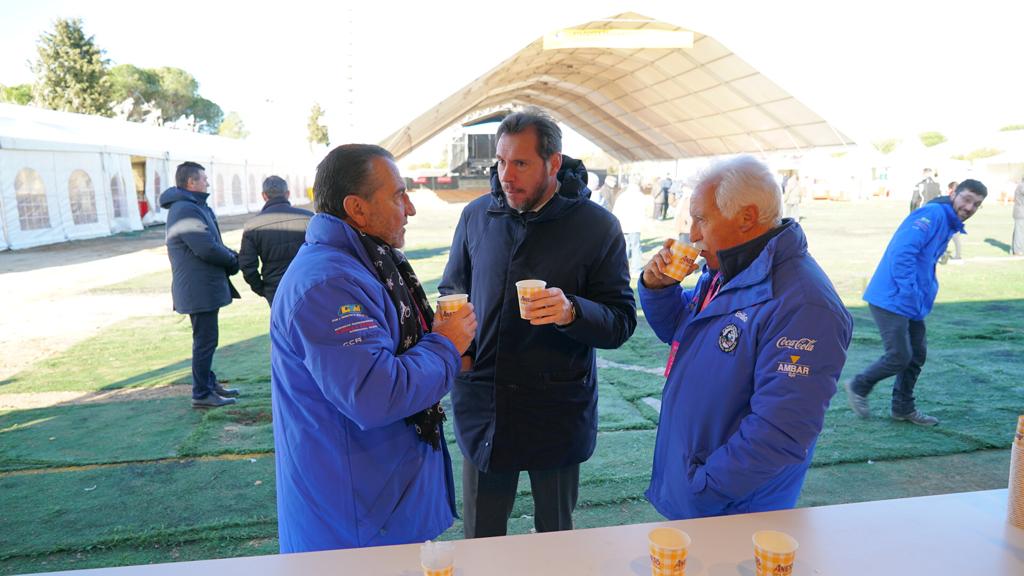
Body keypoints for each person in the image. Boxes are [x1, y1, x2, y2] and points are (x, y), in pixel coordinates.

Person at [270, 144, 478, 552]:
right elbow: (375, 394)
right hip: (355, 521)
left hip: (379, 500)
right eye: (399, 195)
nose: (411, 208)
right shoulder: (330, 284)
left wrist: (449, 352)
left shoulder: (362, 263)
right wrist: (445, 344)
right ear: (357, 209)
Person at [440, 108, 637, 538]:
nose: (506, 175)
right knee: (481, 540)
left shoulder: (597, 226)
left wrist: (572, 311)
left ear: (554, 163)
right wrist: (466, 359)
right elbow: (452, 291)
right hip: (485, 404)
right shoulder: (477, 216)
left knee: (555, 539)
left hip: (556, 411)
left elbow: (621, 320)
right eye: (501, 161)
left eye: (521, 163)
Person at [639, 155, 851, 519]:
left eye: (701, 219)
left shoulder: (804, 304)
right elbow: (685, 333)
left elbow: (780, 431)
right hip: (703, 494)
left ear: (747, 218)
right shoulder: (732, 270)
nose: (693, 234)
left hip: (735, 509)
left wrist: (703, 486)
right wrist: (657, 290)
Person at [845, 179, 988, 426]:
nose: (969, 207)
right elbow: (903, 253)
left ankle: (902, 408)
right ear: (952, 193)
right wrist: (910, 291)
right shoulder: (932, 214)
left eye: (976, 204)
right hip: (892, 297)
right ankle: (858, 385)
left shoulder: (948, 220)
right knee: (900, 355)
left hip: (910, 300)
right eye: (966, 199)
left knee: (916, 355)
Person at [160, 161, 242, 409]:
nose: (207, 182)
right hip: (198, 289)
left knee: (206, 339)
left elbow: (211, 241)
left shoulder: (192, 206)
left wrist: (230, 255)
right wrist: (232, 260)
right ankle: (201, 393)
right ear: (191, 182)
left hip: (201, 286)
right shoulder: (185, 209)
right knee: (205, 341)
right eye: (204, 179)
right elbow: (205, 247)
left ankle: (208, 384)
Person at [238, 176, 314, 306]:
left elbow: (247, 265)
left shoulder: (253, 226)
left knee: (283, 325)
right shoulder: (308, 218)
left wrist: (261, 289)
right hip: (308, 283)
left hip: (275, 288)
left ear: (264, 196)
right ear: (287, 194)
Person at [613, 180, 647, 275]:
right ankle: (635, 269)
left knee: (625, 246)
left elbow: (616, 211)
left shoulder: (622, 196)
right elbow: (643, 211)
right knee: (635, 247)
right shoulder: (639, 197)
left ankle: (622, 267)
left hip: (623, 225)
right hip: (634, 226)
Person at [1013, 176, 1024, 256]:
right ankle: (1017, 251)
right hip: (1021, 212)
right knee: (1019, 232)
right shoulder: (1022, 186)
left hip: (1019, 212)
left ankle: (1015, 249)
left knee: (1018, 232)